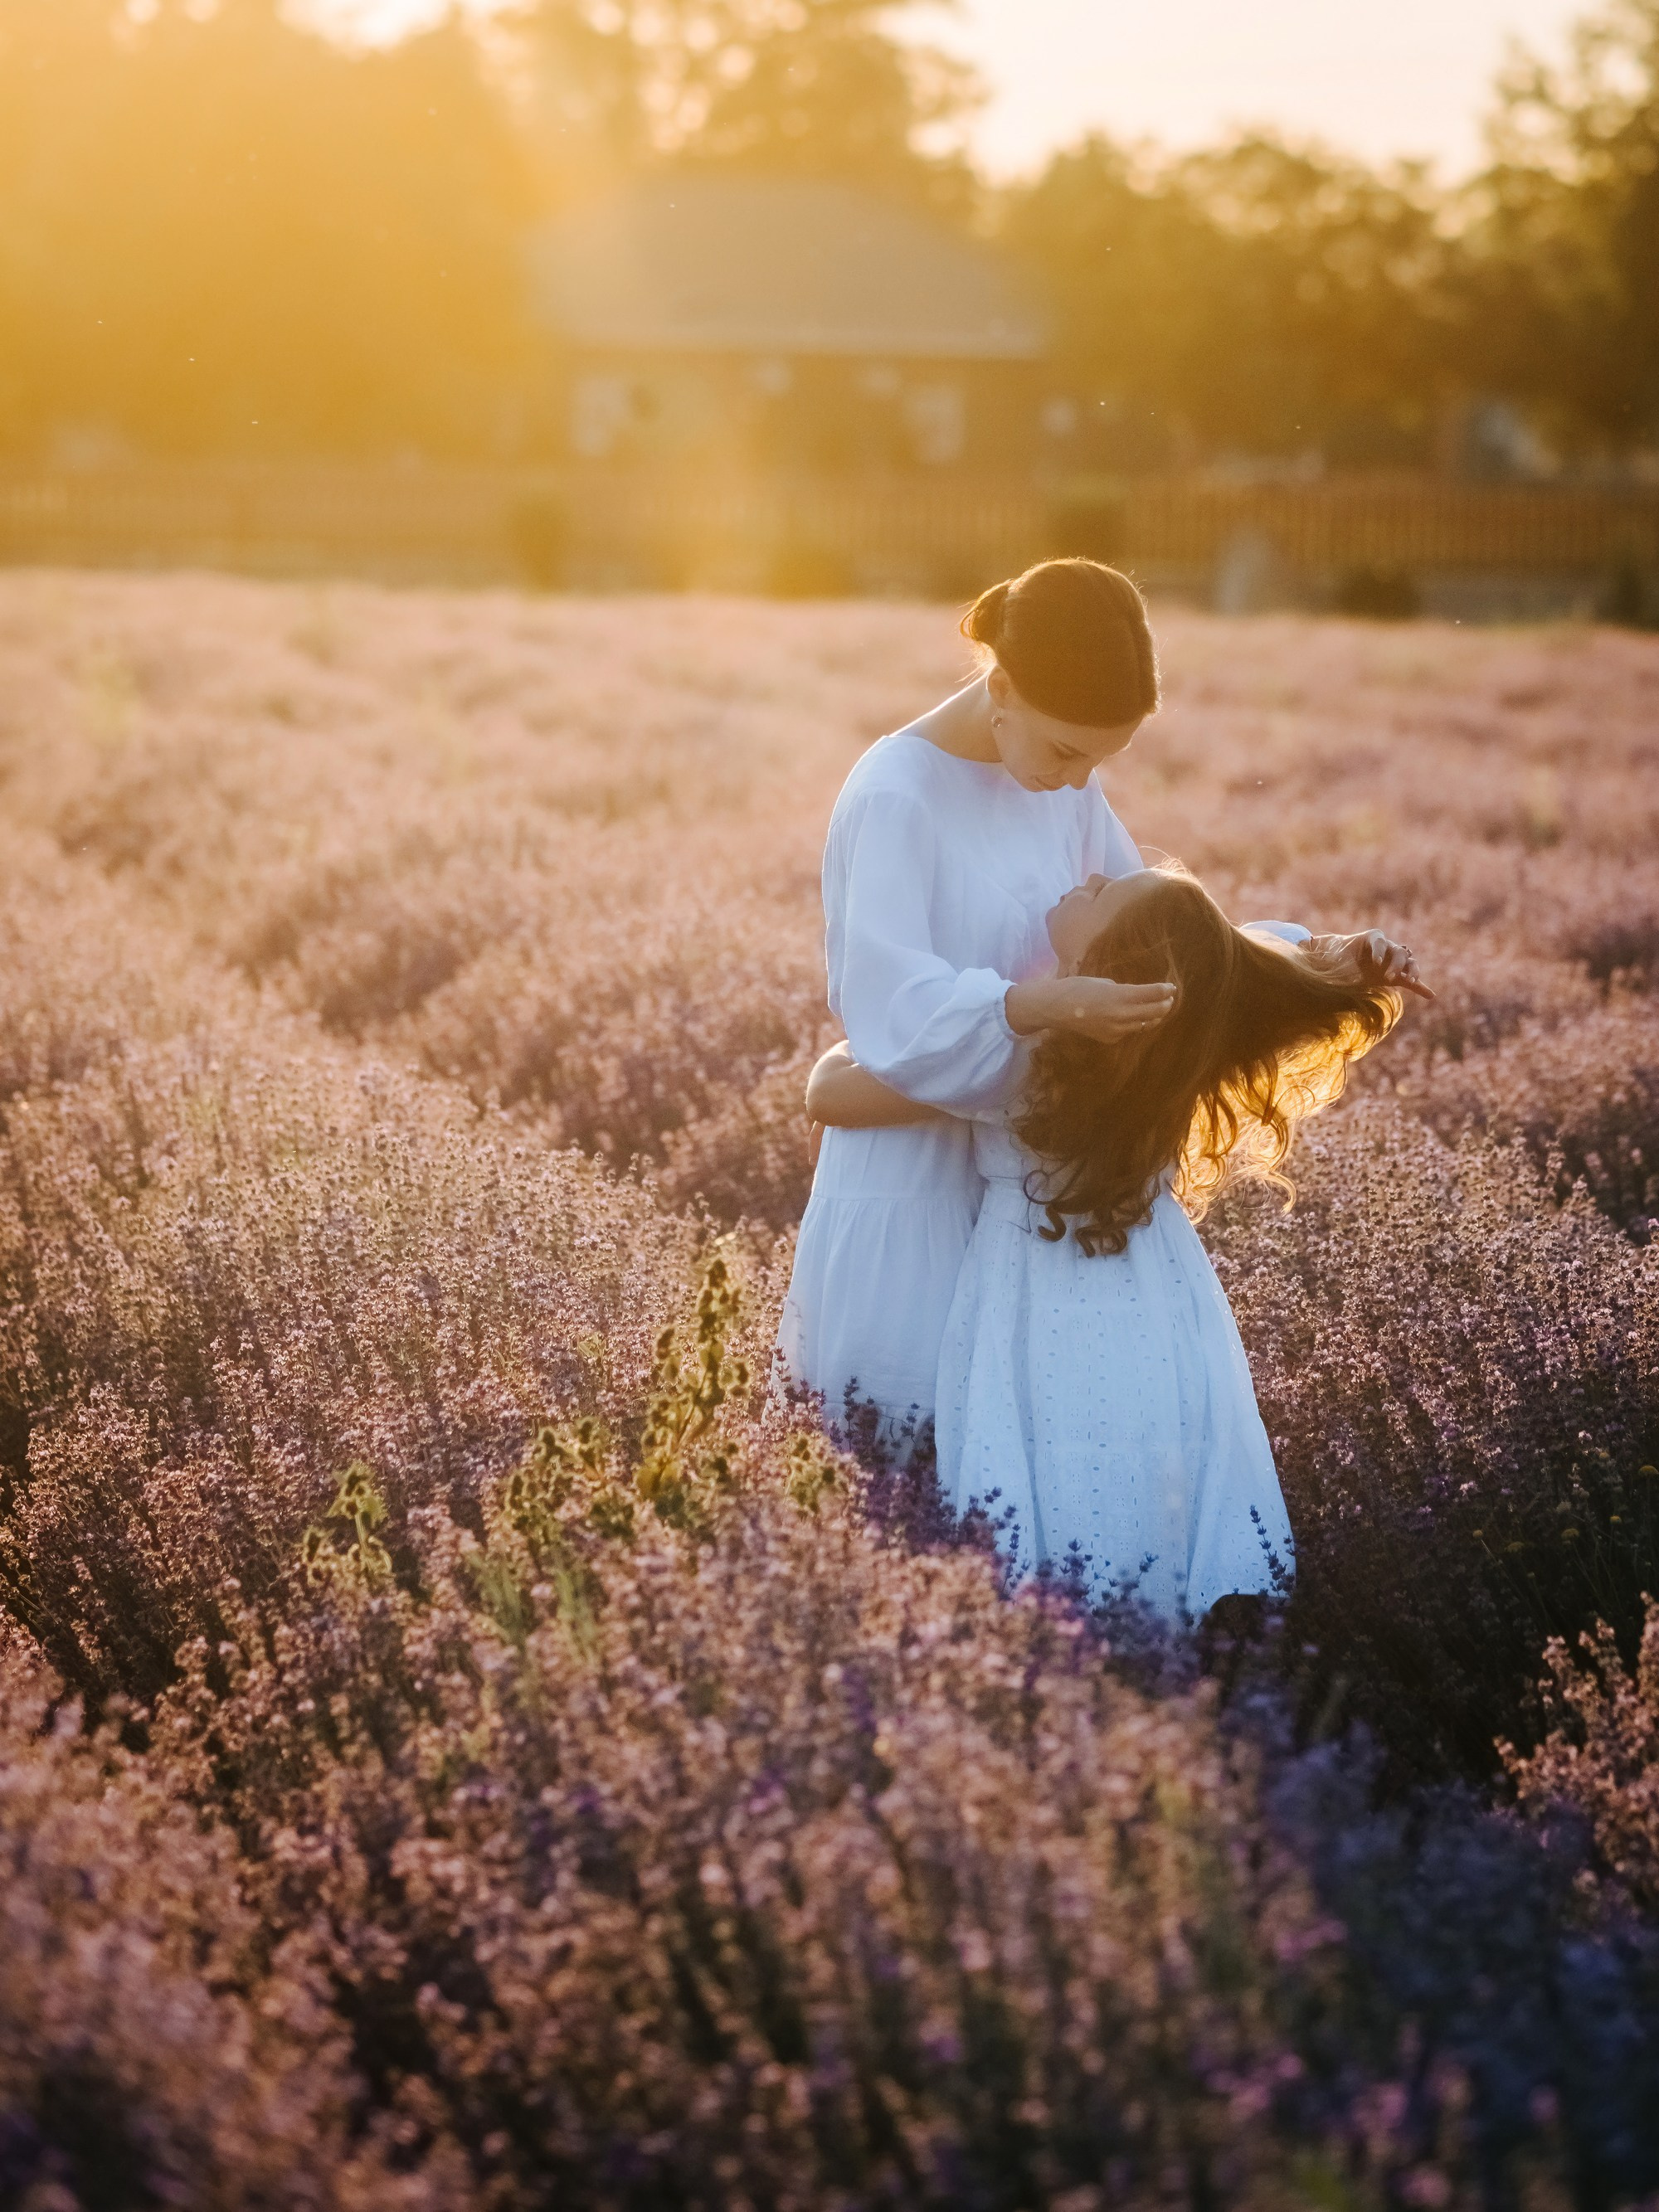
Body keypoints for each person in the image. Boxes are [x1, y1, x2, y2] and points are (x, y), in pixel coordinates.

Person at [775, 555, 1416, 1445]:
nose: (1078, 783)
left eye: (1100, 761)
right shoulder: (894, 796)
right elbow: (893, 1022)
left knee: (1029, 1474)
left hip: (1037, 1189)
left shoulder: (1052, 779)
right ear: (998, 685)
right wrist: (1040, 1009)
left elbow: (1162, 945)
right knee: (900, 1469)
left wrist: (1313, 960)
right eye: (1068, 751)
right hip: (916, 1191)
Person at [807, 867, 1427, 1617]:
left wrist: (960, 1018)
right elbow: (1227, 960)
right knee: (1147, 1442)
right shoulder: (1182, 1036)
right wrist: (1338, 957)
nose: (1091, 875)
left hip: (1034, 1283)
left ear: (1112, 964)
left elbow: (829, 1091)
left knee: (1049, 1459)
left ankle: (1066, 1636)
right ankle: (1166, 1631)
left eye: (1104, 895)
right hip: (1156, 1284)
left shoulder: (1020, 1058)